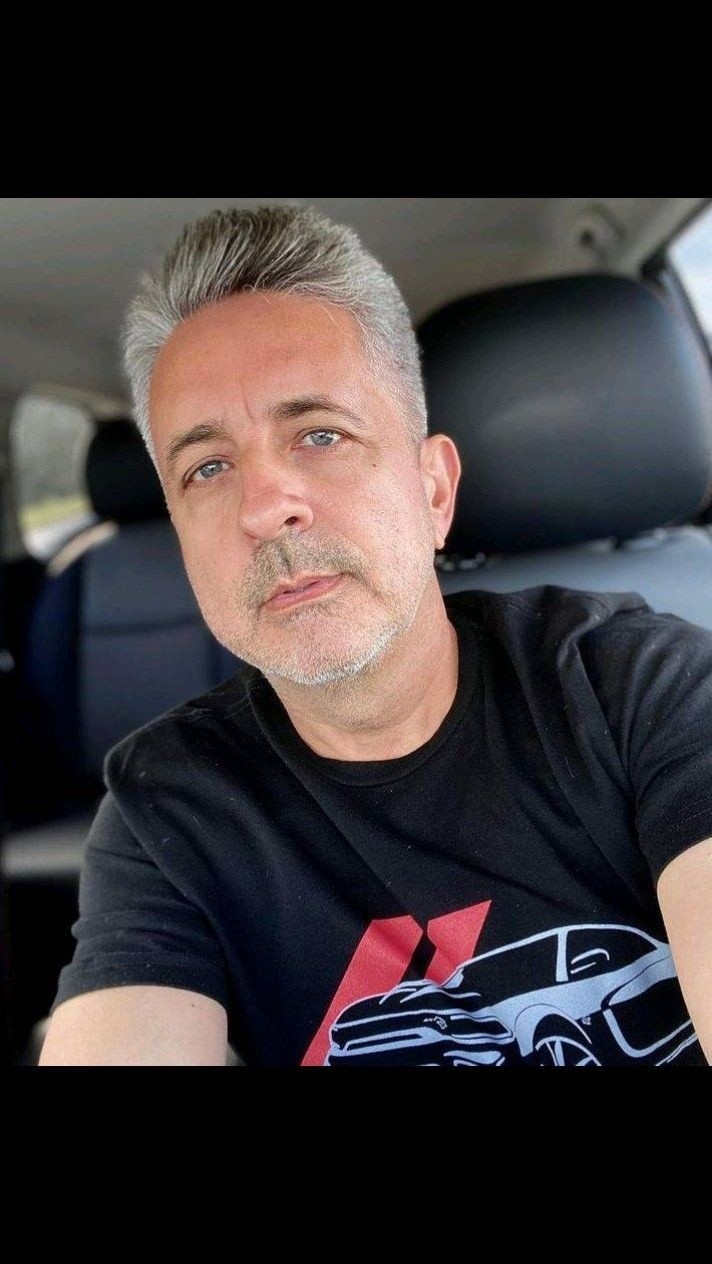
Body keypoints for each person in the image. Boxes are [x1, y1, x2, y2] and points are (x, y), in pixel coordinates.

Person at [39, 204, 712, 1068]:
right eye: (207, 467)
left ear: (434, 492)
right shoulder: (167, 809)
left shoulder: (646, 689)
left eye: (320, 434)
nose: (264, 507)